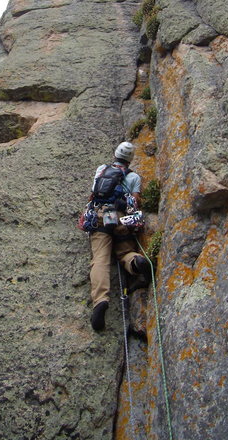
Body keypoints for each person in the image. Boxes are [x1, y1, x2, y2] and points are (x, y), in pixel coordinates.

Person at [89, 141, 151, 331]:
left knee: (100, 258)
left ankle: (100, 301)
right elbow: (135, 203)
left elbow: (92, 196)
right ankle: (136, 261)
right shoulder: (133, 177)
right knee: (124, 252)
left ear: (115, 154)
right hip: (120, 218)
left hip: (101, 215)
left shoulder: (102, 169)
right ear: (130, 159)